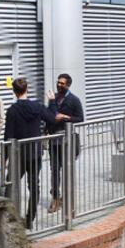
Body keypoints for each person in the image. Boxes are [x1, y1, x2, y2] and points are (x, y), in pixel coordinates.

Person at [3, 78, 56, 229]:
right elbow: (52, 118)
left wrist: (5, 158)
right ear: (27, 89)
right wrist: (52, 102)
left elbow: (8, 135)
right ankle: (29, 219)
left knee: (10, 184)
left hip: (18, 154)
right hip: (34, 152)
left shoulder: (12, 110)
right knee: (34, 186)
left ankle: (9, 218)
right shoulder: (37, 107)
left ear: (14, 92)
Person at [46, 73, 84, 214]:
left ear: (68, 85)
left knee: (67, 170)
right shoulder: (53, 98)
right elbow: (50, 115)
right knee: (54, 170)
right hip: (54, 141)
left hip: (66, 141)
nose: (59, 85)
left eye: (62, 83)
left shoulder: (74, 100)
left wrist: (65, 117)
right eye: (58, 82)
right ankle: (55, 198)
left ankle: (67, 198)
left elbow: (80, 118)